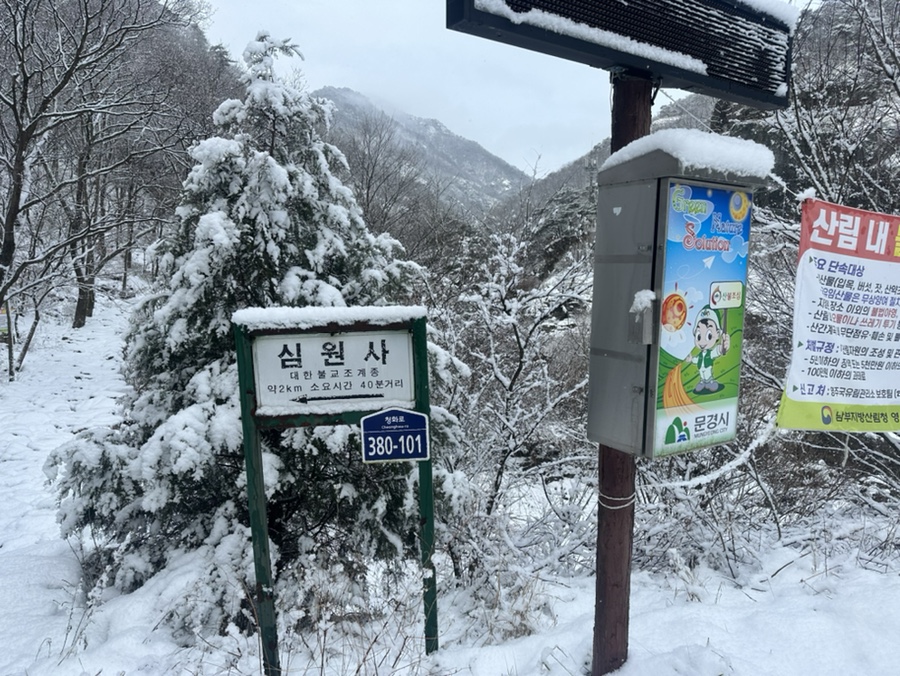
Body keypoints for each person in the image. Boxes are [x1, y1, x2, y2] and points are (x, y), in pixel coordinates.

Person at [684, 306, 729, 393]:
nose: (702, 341)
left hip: (708, 369)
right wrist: (690, 359)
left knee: (708, 375)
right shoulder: (700, 355)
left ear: (717, 333)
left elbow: (717, 351)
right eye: (699, 336)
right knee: (702, 375)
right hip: (701, 370)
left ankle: (710, 382)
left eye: (709, 335)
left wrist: (723, 346)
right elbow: (696, 360)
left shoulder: (710, 353)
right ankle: (702, 382)